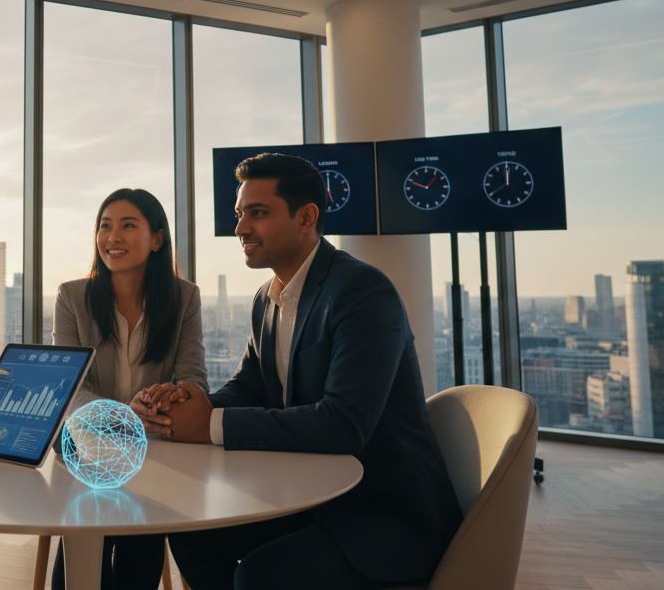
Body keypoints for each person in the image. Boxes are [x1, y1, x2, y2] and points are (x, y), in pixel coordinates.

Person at [152, 153, 463, 590]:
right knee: (193, 533)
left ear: (306, 217)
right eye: (240, 214)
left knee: (261, 576)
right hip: (311, 496)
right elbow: (252, 384)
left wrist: (209, 424)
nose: (240, 228)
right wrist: (185, 408)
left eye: (257, 214)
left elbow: (344, 424)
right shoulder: (267, 297)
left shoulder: (360, 291)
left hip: (382, 514)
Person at [50, 188, 208, 590]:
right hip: (86, 441)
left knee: (143, 524)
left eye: (127, 226)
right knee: (90, 532)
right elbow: (69, 387)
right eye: (105, 226)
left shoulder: (184, 297)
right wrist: (121, 414)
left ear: (156, 239)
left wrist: (173, 395)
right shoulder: (73, 297)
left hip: (153, 447)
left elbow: (194, 378)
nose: (111, 237)